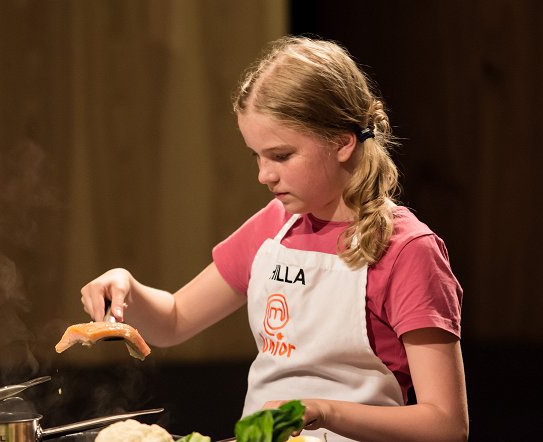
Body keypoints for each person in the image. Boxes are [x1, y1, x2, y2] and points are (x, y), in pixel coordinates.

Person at [80, 36, 468, 442]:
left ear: (341, 142)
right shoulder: (274, 226)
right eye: (257, 156)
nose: (264, 175)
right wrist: (127, 286)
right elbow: (174, 320)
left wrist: (322, 410)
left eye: (281, 156)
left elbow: (445, 425)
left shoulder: (408, 250)